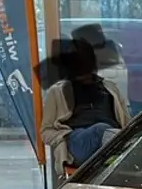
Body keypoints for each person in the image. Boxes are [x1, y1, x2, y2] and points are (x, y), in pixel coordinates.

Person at [40, 37, 131, 168]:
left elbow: (127, 123)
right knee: (100, 130)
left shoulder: (110, 88)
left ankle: (113, 156)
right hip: (78, 141)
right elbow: (45, 131)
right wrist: (63, 137)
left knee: (139, 137)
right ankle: (119, 155)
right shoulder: (58, 92)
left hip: (110, 137)